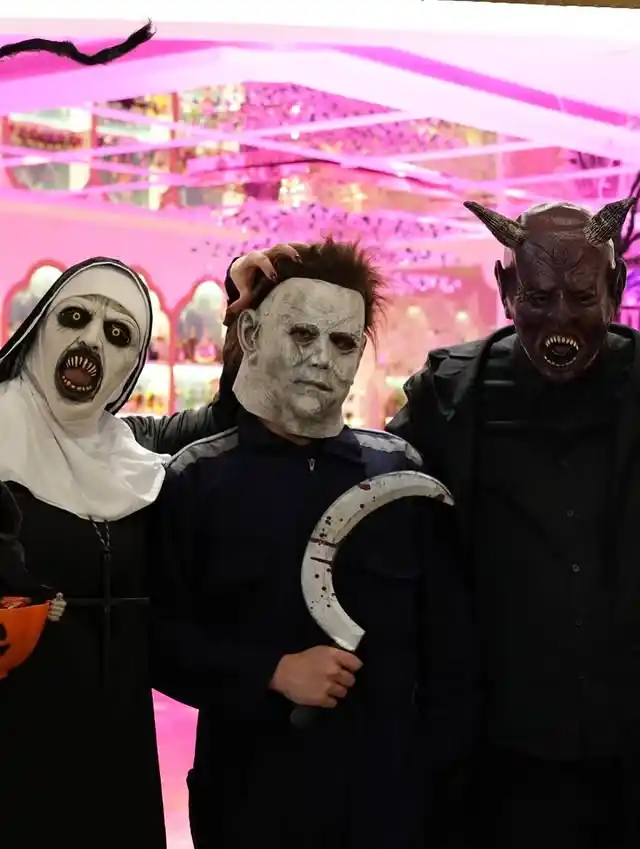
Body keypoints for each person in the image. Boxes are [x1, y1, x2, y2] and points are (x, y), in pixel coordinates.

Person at [149, 239, 480, 849]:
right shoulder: (195, 479)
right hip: (249, 801)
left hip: (386, 803)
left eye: (343, 342)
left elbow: (448, 646)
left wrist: (441, 782)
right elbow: (160, 641)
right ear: (252, 335)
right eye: (301, 334)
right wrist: (269, 672)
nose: (321, 359)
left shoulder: (398, 473)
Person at [388, 197, 640, 849]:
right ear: (505, 289)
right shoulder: (449, 398)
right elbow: (346, 477)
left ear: (613, 288)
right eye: (539, 296)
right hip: (499, 762)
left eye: (580, 297)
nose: (561, 319)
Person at [0, 258, 168, 848]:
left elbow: (227, 421)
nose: (92, 339)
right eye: (75, 318)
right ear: (39, 331)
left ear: (127, 371)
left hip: (114, 737)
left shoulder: (131, 457)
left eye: (118, 333)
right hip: (16, 745)